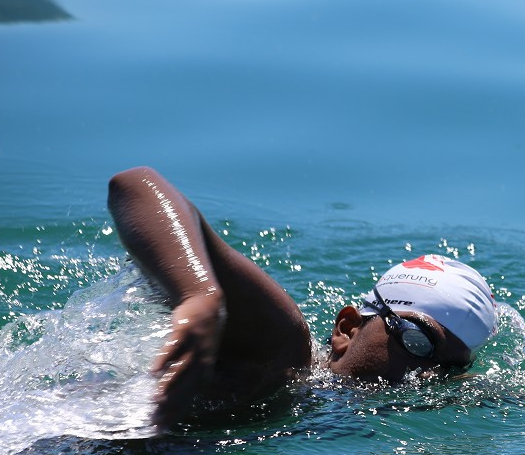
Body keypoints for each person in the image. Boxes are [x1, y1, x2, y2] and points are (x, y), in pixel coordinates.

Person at [107, 166, 497, 433]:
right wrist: (198, 295)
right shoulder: (279, 351)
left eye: (449, 369)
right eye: (417, 342)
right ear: (347, 328)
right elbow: (136, 186)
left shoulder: (331, 407)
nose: (427, 375)